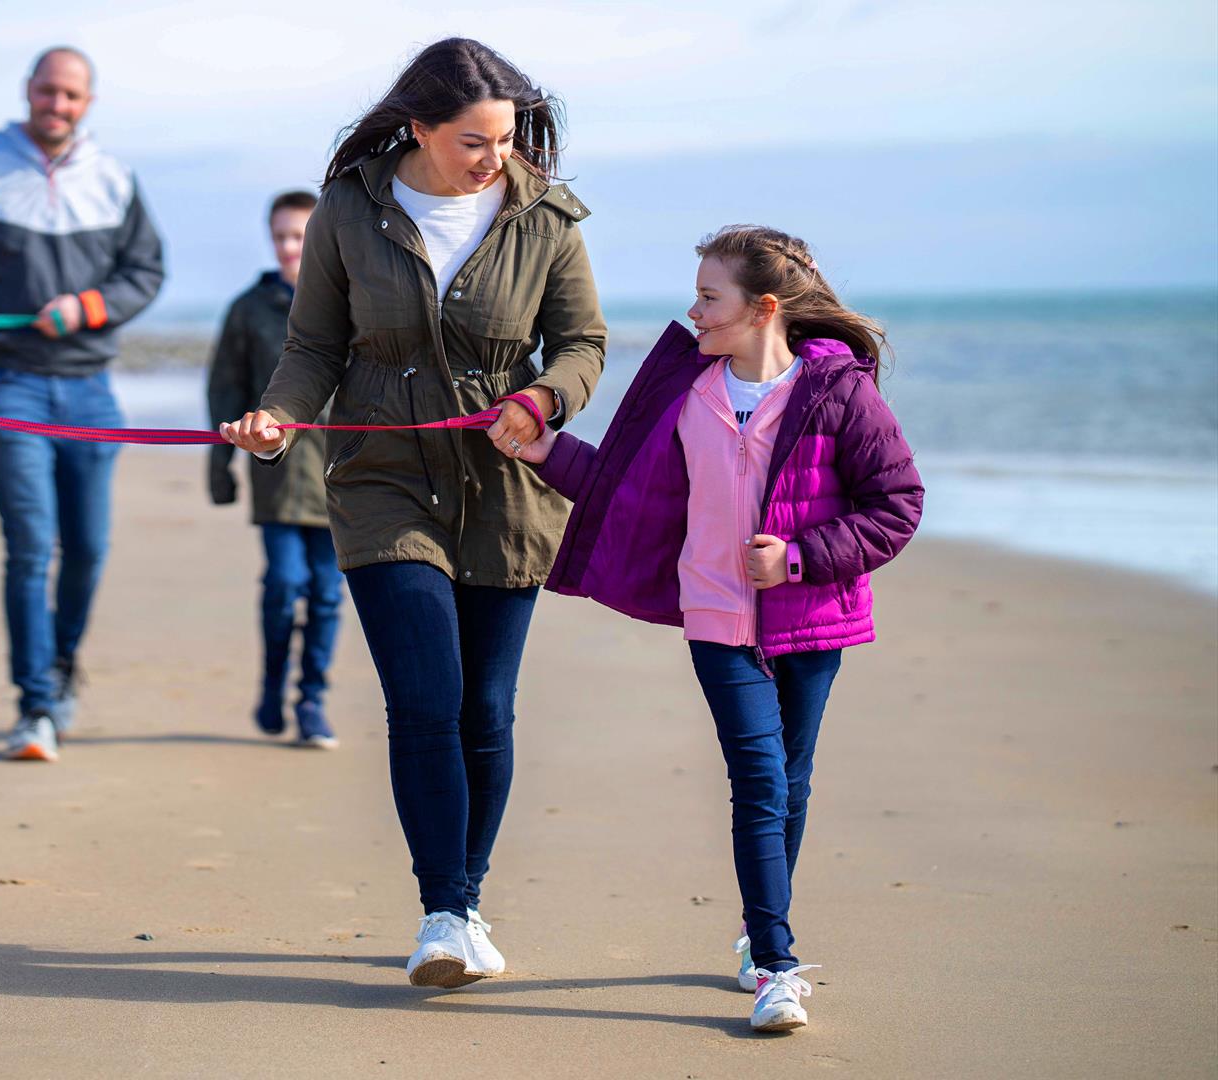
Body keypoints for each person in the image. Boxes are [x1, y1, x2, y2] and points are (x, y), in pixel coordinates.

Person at [220, 38, 607, 988]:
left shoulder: (547, 216)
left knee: (486, 707)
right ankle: (444, 912)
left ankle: (468, 896)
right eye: (475, 141)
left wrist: (545, 399)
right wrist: (279, 419)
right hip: (382, 479)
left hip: (506, 488)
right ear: (421, 128)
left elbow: (584, 345)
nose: (496, 159)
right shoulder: (350, 209)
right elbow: (314, 345)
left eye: (507, 139)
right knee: (426, 700)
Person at [519, 225, 925, 1031]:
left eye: (710, 298)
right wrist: (543, 450)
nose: (694, 311)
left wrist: (802, 558)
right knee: (760, 780)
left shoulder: (839, 392)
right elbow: (620, 488)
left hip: (811, 620)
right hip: (714, 617)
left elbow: (898, 505)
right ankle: (777, 965)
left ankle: (753, 929)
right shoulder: (685, 389)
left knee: (791, 779)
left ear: (763, 308)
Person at [0, 46, 165, 763]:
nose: (58, 105)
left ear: (88, 103)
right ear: (28, 93)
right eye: (48, 92)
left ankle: (62, 667)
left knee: (89, 547)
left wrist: (88, 307)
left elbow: (145, 271)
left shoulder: (115, 179)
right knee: (30, 543)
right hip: (3, 381)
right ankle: (36, 707)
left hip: (90, 386)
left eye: (72, 95)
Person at [206, 190, 342, 749]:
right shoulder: (248, 308)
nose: (290, 247)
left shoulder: (350, 298)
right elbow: (224, 390)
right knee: (286, 583)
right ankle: (271, 685)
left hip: (345, 477)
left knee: (329, 594)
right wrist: (221, 467)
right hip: (277, 473)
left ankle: (311, 700)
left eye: (301, 236)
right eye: (282, 236)